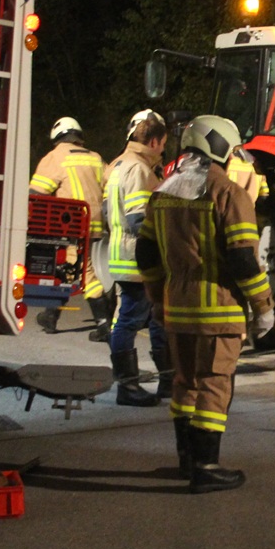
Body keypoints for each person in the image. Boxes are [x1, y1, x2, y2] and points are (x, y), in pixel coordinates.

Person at [136, 115, 275, 493]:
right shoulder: (228, 193)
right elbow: (243, 259)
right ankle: (206, 467)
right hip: (219, 313)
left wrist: (157, 297)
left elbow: (145, 252)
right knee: (214, 386)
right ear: (221, 147)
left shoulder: (163, 193)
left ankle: (186, 460)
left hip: (176, 310)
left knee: (185, 383)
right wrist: (263, 306)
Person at [102, 108, 170, 406]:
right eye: (163, 143)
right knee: (129, 322)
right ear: (154, 141)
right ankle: (127, 387)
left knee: (155, 319)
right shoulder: (139, 170)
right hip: (137, 262)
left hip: (124, 257)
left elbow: (107, 213)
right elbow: (140, 220)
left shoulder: (118, 165)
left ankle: (166, 381)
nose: (164, 149)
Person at [30, 116, 109, 338]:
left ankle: (104, 324)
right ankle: (51, 316)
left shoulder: (55, 157)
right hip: (95, 227)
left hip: (70, 227)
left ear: (57, 137)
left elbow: (36, 194)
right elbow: (110, 185)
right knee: (70, 269)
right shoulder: (96, 158)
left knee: (83, 273)